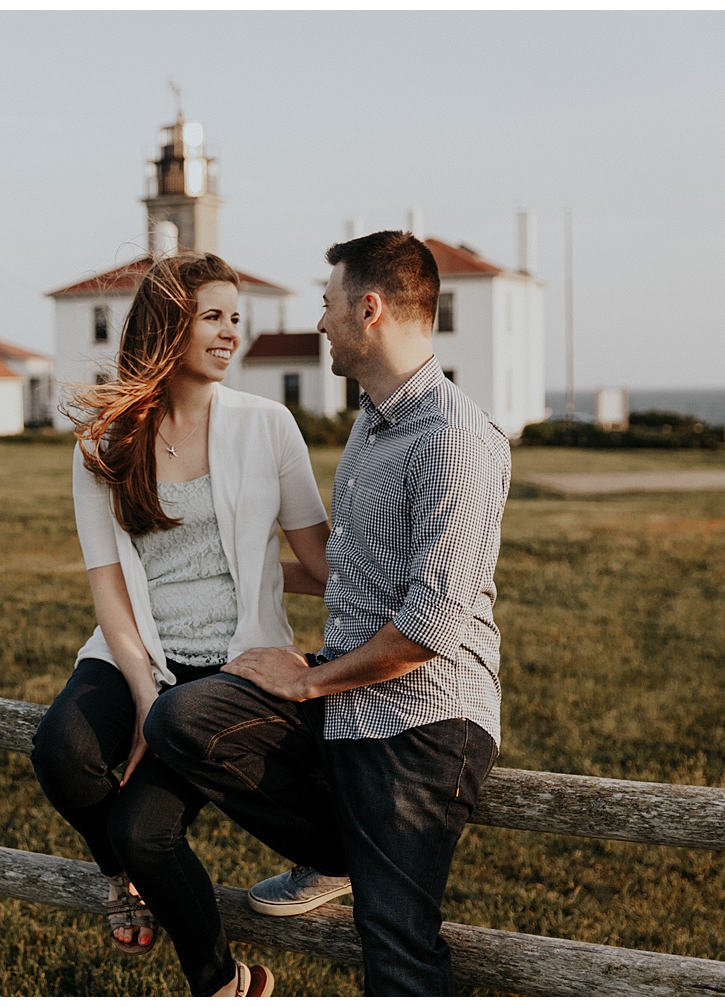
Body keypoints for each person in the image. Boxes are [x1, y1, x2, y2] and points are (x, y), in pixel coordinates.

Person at [145, 231, 511, 996]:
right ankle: (346, 851)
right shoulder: (372, 425)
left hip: (423, 720)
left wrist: (307, 682)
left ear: (368, 309)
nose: (319, 321)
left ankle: (360, 860)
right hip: (350, 698)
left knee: (396, 946)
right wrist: (221, 569)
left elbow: (430, 628)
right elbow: (351, 573)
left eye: (328, 303)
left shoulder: (456, 438)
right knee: (184, 719)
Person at [31, 250, 331, 997]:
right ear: (170, 325)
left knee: (144, 827)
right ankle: (123, 880)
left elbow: (322, 565)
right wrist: (142, 693)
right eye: (214, 317)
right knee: (60, 751)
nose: (231, 333)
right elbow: (107, 583)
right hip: (136, 646)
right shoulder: (104, 440)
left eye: (237, 318)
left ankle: (223, 982)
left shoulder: (270, 427)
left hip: (232, 665)